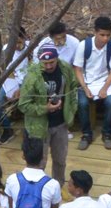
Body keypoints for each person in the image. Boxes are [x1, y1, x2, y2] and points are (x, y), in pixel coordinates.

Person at [17, 45, 78, 181]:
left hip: (61, 124)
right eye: (45, 63)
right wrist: (45, 108)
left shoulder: (65, 69)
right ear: (40, 61)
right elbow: (23, 105)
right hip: (39, 127)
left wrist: (71, 110)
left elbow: (73, 88)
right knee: (39, 163)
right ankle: (38, 188)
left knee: (60, 159)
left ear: (57, 59)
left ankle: (59, 185)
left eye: (52, 62)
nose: (49, 66)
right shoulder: (33, 75)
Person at [74, 15, 111, 150]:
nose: (105, 38)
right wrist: (84, 87)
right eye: (102, 35)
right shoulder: (84, 46)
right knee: (82, 103)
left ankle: (106, 133)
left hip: (104, 82)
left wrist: (105, 88)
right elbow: (78, 69)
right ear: (95, 32)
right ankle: (86, 134)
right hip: (86, 82)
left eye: (108, 35)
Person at [0, 29, 31, 142]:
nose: (16, 46)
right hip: (12, 81)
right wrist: (11, 89)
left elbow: (34, 72)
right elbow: (6, 70)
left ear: (25, 37)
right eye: (13, 43)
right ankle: (7, 129)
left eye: (19, 42)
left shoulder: (32, 48)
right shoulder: (7, 49)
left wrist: (22, 89)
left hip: (29, 81)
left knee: (29, 102)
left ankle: (31, 130)